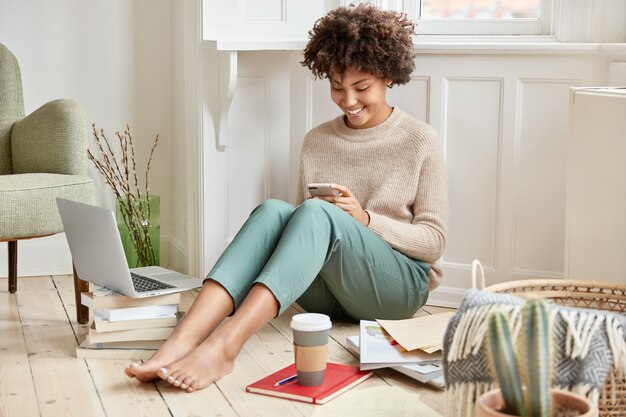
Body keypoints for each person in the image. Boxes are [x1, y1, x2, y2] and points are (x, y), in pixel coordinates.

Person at [125, 3, 448, 393]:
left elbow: (433, 242)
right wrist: (321, 219)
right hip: (328, 297)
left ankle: (225, 347)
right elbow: (302, 232)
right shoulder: (317, 141)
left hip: (396, 289)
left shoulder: (420, 140)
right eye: (336, 86)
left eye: (361, 87)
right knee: (274, 211)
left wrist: (364, 220)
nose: (348, 100)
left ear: (387, 76)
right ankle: (179, 343)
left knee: (312, 213)